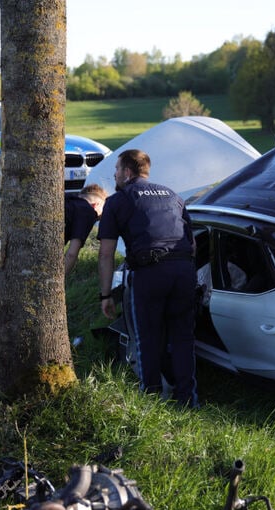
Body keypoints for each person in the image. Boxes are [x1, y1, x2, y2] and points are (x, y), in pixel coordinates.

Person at [97, 149, 198, 407]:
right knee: (183, 338)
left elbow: (106, 254)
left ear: (127, 172)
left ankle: (151, 401)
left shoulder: (117, 201)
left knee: (147, 338)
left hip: (150, 273)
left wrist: (106, 294)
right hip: (184, 271)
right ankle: (188, 400)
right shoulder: (173, 195)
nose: (115, 174)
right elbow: (192, 242)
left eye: (117, 169)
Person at [0, 183, 107, 273]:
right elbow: (71, 254)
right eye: (99, 217)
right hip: (20, 253)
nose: (97, 219)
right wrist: (58, 282)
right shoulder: (88, 211)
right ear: (96, 205)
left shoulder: (66, 199)